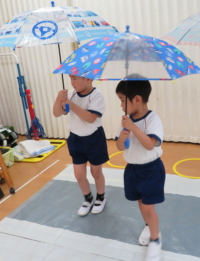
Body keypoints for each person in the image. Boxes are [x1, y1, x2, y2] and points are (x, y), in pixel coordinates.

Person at [115, 77, 165, 261]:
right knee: (141, 203)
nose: (120, 105)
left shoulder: (153, 119)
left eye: (122, 100)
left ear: (137, 99)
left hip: (151, 170)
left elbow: (150, 145)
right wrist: (122, 137)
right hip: (133, 169)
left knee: (148, 207)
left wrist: (133, 128)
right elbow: (120, 147)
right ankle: (148, 225)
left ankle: (155, 239)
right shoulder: (126, 120)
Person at [53, 75, 109, 215]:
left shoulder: (96, 95)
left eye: (76, 79)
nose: (72, 82)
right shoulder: (70, 94)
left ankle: (101, 197)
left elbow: (90, 118)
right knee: (79, 175)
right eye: (71, 79)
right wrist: (59, 99)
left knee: (96, 172)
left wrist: (71, 105)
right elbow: (57, 113)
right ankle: (88, 198)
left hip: (94, 139)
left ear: (89, 79)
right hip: (75, 139)